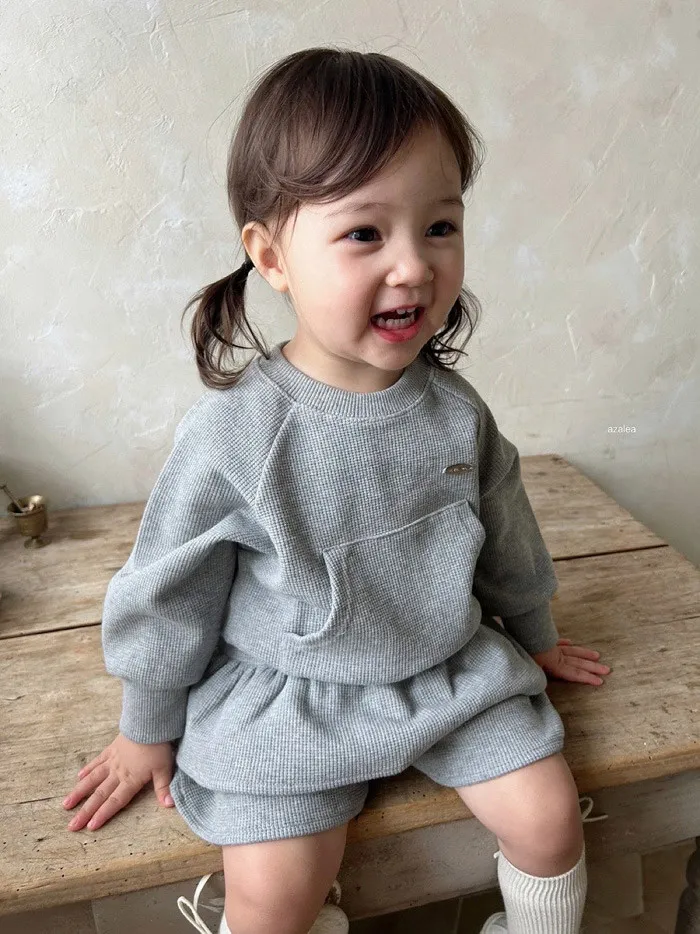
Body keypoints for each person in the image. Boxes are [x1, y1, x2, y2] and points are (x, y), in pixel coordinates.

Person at [62, 47, 610, 934]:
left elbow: (505, 531)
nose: (414, 266)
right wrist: (145, 725)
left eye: (440, 226)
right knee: (273, 899)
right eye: (365, 233)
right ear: (271, 255)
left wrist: (536, 635)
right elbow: (169, 588)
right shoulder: (236, 434)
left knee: (550, 822)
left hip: (444, 669)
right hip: (291, 697)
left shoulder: (455, 412)